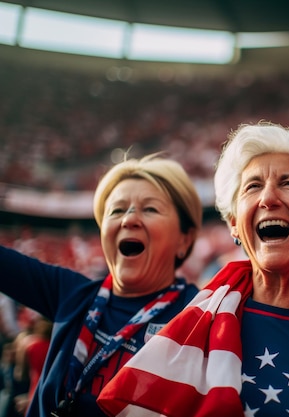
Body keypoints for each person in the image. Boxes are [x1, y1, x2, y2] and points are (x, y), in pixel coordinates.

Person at [97, 122, 289, 417]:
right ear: (234, 225)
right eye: (253, 186)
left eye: (288, 183)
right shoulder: (187, 326)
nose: (268, 198)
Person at [0, 154, 203, 417]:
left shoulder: (202, 315)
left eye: (150, 208)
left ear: (184, 240)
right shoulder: (71, 294)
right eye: (117, 210)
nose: (129, 219)